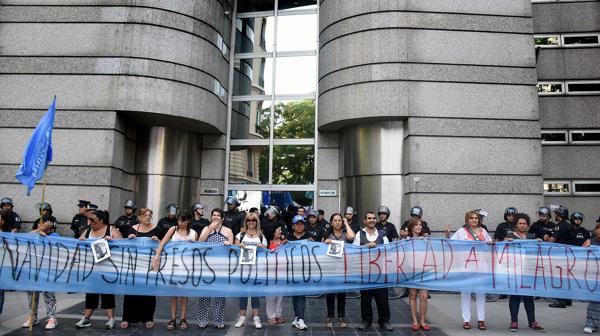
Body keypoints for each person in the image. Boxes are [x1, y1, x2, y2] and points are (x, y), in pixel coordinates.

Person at [76, 209, 122, 329]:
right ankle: (86, 318)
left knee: (107, 294)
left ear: (101, 220)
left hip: (107, 268)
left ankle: (111, 319)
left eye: (92, 220)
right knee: (90, 293)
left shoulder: (111, 230)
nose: (89, 222)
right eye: (89, 219)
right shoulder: (87, 231)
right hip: (91, 268)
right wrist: (81, 241)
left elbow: (123, 245)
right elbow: (78, 245)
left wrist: (112, 241)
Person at [447, 210, 492, 330]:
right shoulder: (461, 232)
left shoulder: (483, 231)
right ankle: (466, 320)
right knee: (465, 294)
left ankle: (481, 320)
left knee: (481, 294)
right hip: (466, 267)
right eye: (471, 218)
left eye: (476, 218)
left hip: (481, 267)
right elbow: (451, 243)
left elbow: (491, 244)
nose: (474, 220)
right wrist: (447, 235)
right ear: (467, 220)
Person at [151, 211, 196, 330]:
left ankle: (183, 318)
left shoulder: (192, 233)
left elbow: (198, 248)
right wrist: (157, 256)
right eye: (179, 220)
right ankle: (172, 318)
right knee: (173, 293)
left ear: (188, 221)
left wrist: (194, 244)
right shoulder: (173, 230)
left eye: (183, 220)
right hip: (173, 266)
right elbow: (163, 242)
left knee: (184, 294)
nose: (181, 223)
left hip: (186, 267)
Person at [122, 208, 164, 329]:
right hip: (134, 265)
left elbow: (165, 244)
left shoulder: (157, 229)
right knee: (130, 291)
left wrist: (158, 241)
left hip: (149, 266)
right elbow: (124, 245)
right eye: (145, 215)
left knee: (149, 292)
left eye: (150, 215)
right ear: (140, 217)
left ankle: (148, 318)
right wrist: (129, 239)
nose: (148, 217)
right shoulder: (133, 229)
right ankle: (127, 318)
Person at [504, 213, 545, 332]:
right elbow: (501, 249)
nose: (522, 225)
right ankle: (514, 322)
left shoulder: (532, 237)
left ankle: (532, 322)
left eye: (524, 223)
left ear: (527, 225)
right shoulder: (510, 236)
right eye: (520, 223)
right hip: (515, 271)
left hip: (528, 271)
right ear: (516, 224)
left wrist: (539, 242)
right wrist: (505, 242)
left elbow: (537, 251)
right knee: (515, 296)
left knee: (528, 297)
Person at [354, 211, 392, 331]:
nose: (372, 220)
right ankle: (366, 321)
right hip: (365, 272)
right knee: (365, 299)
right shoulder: (359, 235)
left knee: (383, 299)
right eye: (369, 218)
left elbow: (389, 251)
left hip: (380, 273)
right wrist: (365, 247)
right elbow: (354, 251)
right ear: (364, 221)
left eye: (373, 218)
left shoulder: (382, 235)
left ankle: (384, 321)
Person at [196, 208, 234, 329]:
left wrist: (229, 244)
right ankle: (202, 319)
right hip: (207, 266)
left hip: (221, 268)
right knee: (204, 294)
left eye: (218, 215)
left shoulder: (228, 231)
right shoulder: (206, 229)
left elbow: (232, 247)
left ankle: (218, 320)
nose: (216, 217)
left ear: (222, 218)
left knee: (220, 295)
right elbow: (200, 242)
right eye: (214, 215)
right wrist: (210, 228)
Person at [23, 215, 59, 330]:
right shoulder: (36, 234)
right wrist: (40, 230)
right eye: (39, 223)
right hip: (33, 269)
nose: (40, 225)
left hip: (48, 270)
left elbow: (56, 246)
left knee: (48, 294)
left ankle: (52, 317)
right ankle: (33, 316)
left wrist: (46, 237)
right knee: (32, 294)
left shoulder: (55, 235)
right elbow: (26, 237)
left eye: (43, 223)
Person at [234, 212, 267, 329]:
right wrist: (239, 246)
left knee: (255, 294)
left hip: (257, 270)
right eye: (249, 220)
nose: (251, 222)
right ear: (246, 222)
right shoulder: (241, 235)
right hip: (242, 269)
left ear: (256, 222)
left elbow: (266, 252)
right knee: (243, 293)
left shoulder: (261, 236)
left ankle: (256, 318)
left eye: (253, 220)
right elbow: (234, 248)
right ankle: (242, 317)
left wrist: (262, 247)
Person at [324, 213, 356, 328]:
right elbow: (321, 250)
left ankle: (341, 316)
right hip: (330, 269)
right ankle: (330, 316)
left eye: (339, 220)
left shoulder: (345, 234)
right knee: (330, 294)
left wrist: (346, 223)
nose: (337, 222)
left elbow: (352, 237)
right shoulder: (328, 235)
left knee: (342, 294)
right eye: (335, 220)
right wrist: (325, 243)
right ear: (331, 223)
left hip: (343, 269)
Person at [544, 206, 573, 308]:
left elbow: (552, 240)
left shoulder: (560, 226)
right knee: (565, 277)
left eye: (556, 214)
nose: (555, 216)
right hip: (568, 255)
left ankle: (560, 301)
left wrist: (546, 238)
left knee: (558, 277)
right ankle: (567, 299)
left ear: (560, 215)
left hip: (559, 256)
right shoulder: (569, 225)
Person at [405, 217, 430, 331]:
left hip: (424, 271)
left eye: (420, 224)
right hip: (412, 271)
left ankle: (423, 320)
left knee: (424, 296)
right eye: (416, 225)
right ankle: (415, 320)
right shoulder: (406, 240)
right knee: (413, 295)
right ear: (411, 227)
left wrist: (447, 235)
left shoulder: (425, 240)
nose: (419, 226)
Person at [287, 215, 310, 330]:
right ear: (293, 226)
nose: (299, 226)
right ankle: (297, 317)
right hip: (291, 270)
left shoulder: (309, 237)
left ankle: (301, 319)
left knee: (301, 293)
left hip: (305, 270)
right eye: (297, 224)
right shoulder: (288, 237)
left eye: (301, 224)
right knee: (295, 294)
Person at [266, 226, 286, 324]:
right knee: (271, 295)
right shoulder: (268, 243)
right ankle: (271, 315)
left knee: (280, 295)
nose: (281, 232)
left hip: (282, 273)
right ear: (273, 232)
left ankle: (279, 314)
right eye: (279, 230)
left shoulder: (283, 243)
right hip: (270, 273)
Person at [584, 223, 600, 334]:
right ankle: (591, 324)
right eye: (598, 228)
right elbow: (579, 255)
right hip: (595, 276)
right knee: (595, 300)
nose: (599, 230)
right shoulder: (590, 241)